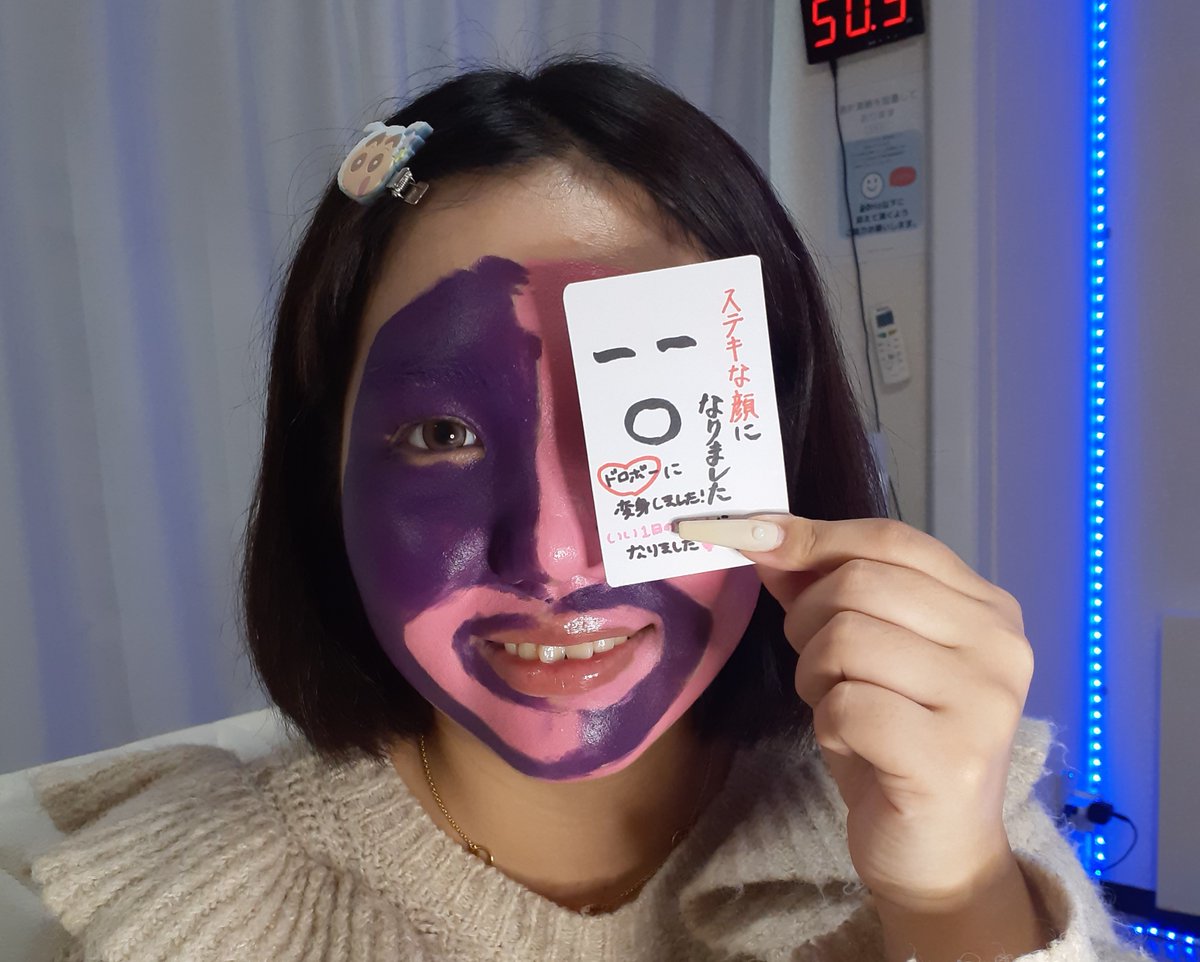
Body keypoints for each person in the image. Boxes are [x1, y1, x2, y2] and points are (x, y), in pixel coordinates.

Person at [20, 58, 1147, 961]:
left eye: (644, 421)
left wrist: (953, 901)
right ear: (328, 474)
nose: (556, 553)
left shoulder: (953, 818)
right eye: (442, 435)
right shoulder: (181, 920)